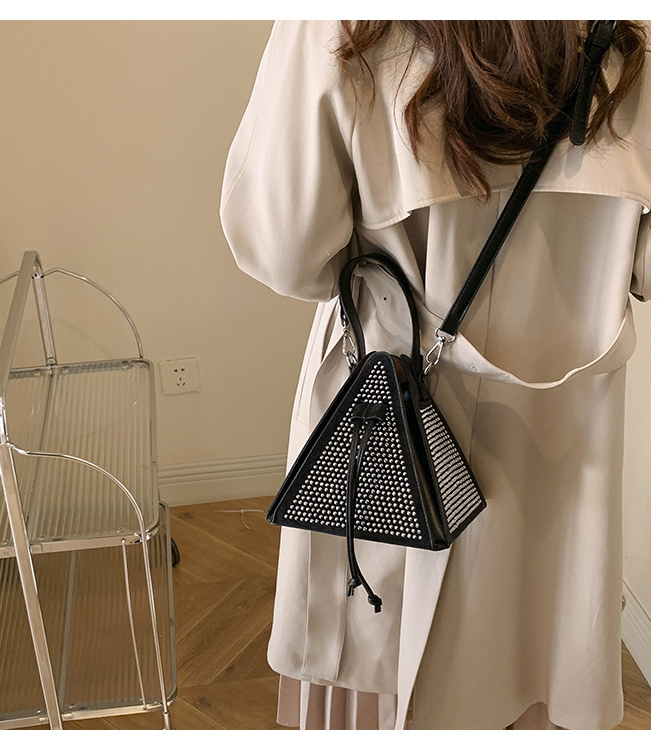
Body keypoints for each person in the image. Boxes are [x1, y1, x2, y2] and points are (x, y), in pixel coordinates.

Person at [219, 20, 650, 730]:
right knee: (527, 661)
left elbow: (283, 249)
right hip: (562, 444)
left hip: (387, 408)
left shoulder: (341, 21)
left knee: (380, 659)